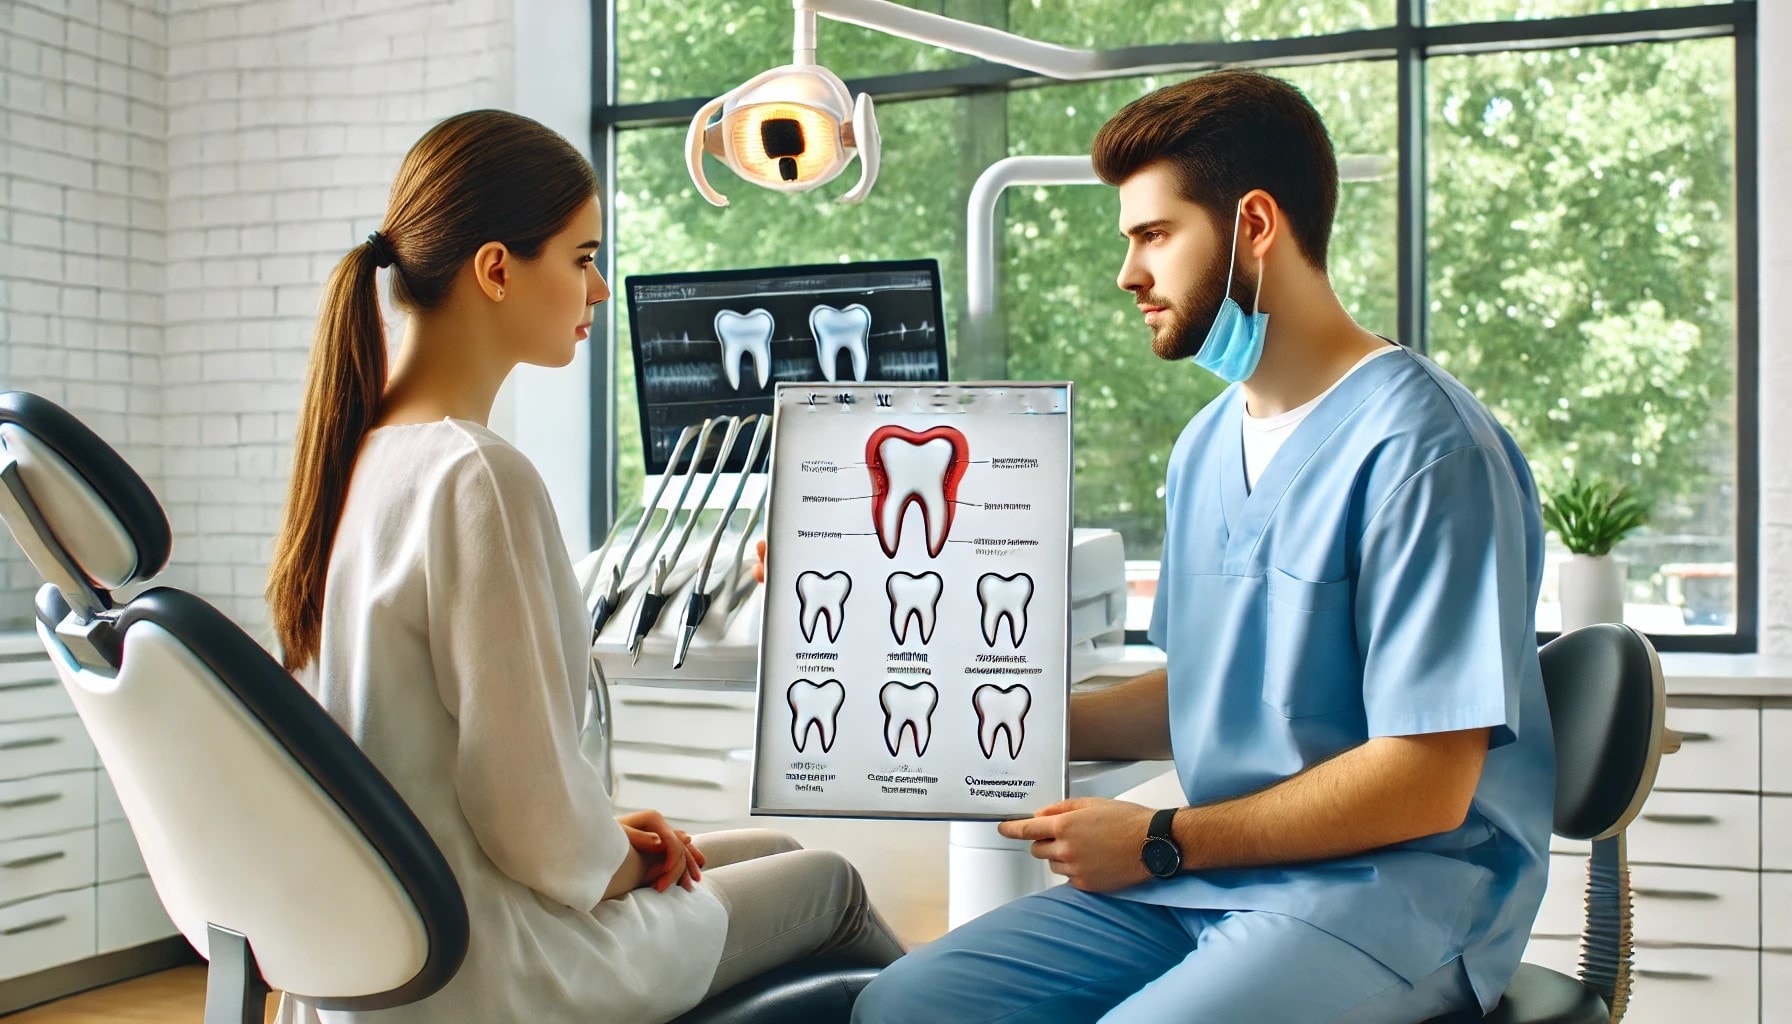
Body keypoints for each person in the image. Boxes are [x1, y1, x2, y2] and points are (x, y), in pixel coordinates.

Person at [760, 69, 1552, 1023]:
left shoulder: (1425, 453)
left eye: (1153, 235)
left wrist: (1162, 840)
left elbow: (1426, 782)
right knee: (905, 1007)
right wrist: (966, 703)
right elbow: (1207, 696)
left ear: (1253, 225)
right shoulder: (1207, 445)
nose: (1127, 274)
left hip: (1390, 894)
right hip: (1207, 881)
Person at [266, 109, 902, 1024]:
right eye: (582, 258)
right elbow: (524, 816)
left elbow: (475, 778)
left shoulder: (355, 460)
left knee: (771, 844)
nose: (599, 290)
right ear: (495, 269)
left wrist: (605, 839)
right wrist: (610, 858)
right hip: (499, 960)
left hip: (392, 951)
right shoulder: (475, 475)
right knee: (831, 884)